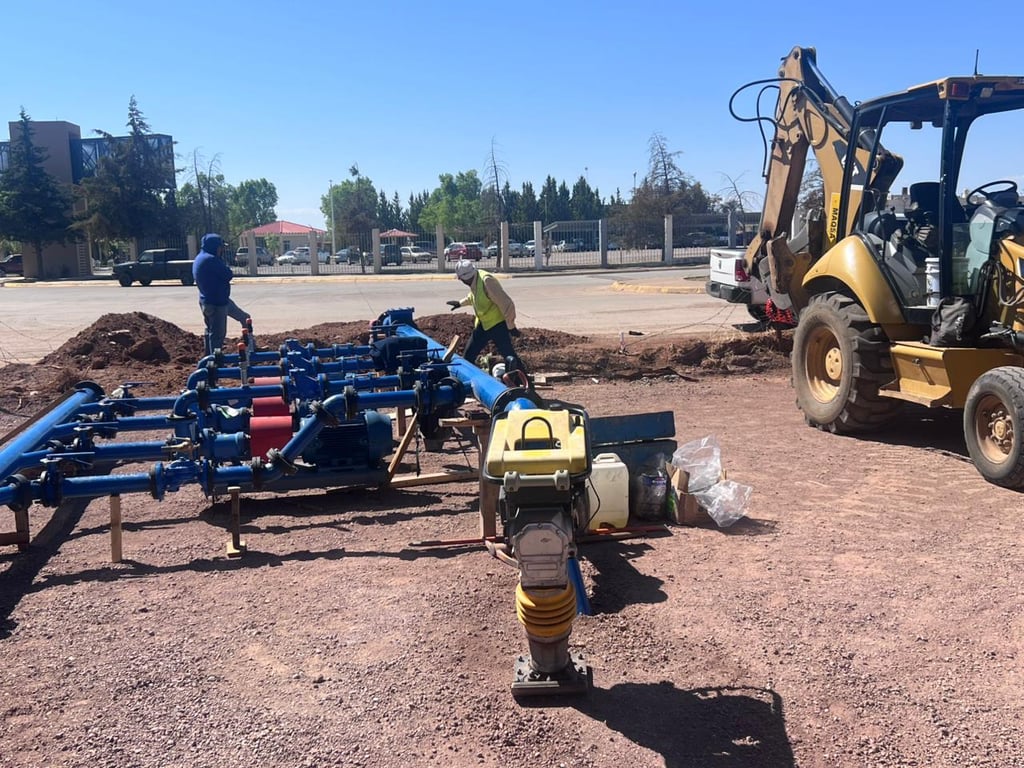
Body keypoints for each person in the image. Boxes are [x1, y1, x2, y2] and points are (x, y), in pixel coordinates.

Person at [446, 259, 526, 372]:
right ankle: (470, 383)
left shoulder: (486, 281)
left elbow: (506, 304)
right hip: (483, 325)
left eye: (460, 279)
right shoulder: (474, 280)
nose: (461, 281)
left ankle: (526, 386)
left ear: (464, 277)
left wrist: (511, 326)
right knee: (468, 355)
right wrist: (460, 303)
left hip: (497, 325)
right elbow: (474, 296)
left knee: (510, 357)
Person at [193, 233, 251, 356]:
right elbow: (228, 275)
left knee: (244, 317)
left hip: (214, 301)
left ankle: (251, 347)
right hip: (216, 304)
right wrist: (221, 261)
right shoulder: (212, 260)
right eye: (221, 247)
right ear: (215, 247)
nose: (222, 250)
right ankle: (215, 363)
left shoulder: (200, 257)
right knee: (217, 336)